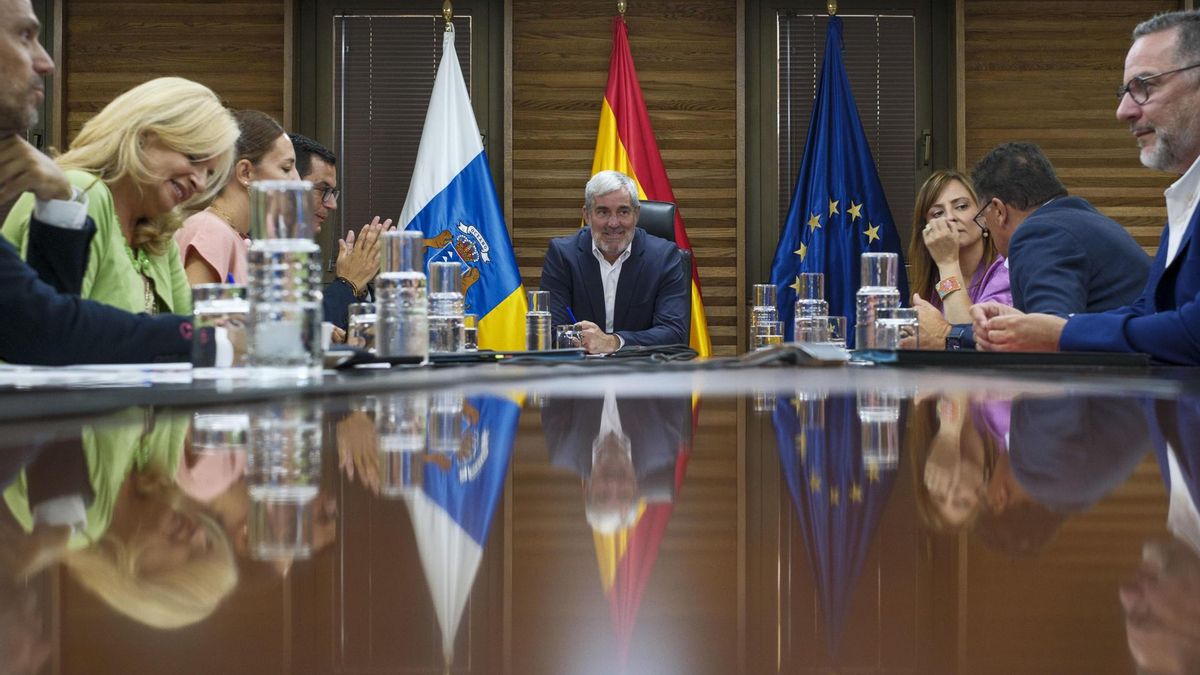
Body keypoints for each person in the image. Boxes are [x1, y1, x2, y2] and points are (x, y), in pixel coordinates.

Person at [973, 11, 1200, 363]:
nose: (1123, 110)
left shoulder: (1042, 232)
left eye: (1145, 87)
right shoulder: (1185, 198)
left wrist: (1060, 333)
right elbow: (1149, 313)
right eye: (1125, 91)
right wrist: (1032, 328)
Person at [0, 0, 200, 364]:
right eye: (25, 35)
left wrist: (60, 199)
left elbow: (41, 335)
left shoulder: (155, 225)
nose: (46, 62)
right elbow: (44, 330)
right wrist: (200, 338)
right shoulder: (90, 190)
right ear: (143, 137)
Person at [2, 76, 238, 317]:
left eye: (208, 173)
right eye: (194, 158)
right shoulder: (79, 192)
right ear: (143, 134)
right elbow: (59, 334)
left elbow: (191, 329)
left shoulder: (158, 229)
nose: (199, 184)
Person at [920, 143, 1150, 350]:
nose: (949, 220)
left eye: (980, 214)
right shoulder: (1076, 219)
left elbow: (1045, 341)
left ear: (998, 211)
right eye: (938, 213)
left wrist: (947, 335)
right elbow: (1049, 326)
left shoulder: (1038, 235)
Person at [540, 170, 689, 354]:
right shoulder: (563, 255)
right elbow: (551, 332)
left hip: (643, 373)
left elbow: (674, 333)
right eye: (602, 212)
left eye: (623, 211)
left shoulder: (663, 256)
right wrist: (588, 342)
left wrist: (613, 342)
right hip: (580, 375)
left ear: (636, 214)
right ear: (587, 215)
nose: (613, 223)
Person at [174, 110, 298, 286]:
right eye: (286, 169)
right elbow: (198, 313)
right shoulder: (211, 231)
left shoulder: (234, 234)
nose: (297, 180)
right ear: (245, 172)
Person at [288, 133, 390, 329]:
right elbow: (302, 332)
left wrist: (358, 286)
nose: (332, 204)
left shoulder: (301, 252)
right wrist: (348, 282)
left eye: (333, 193)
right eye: (323, 190)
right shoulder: (256, 251)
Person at [906, 170, 1010, 327]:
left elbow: (968, 341)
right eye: (938, 213)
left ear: (984, 216)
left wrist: (948, 262)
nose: (950, 217)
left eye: (961, 206)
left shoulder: (1005, 271)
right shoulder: (932, 278)